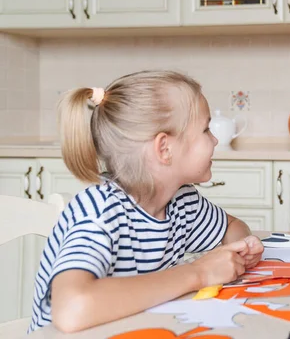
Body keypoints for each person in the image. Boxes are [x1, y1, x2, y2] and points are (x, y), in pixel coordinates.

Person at [28, 70, 264, 333]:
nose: (215, 139)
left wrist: (240, 250)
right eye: (206, 129)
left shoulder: (182, 202)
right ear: (164, 148)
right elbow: (71, 309)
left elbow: (231, 226)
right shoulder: (100, 211)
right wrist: (199, 273)